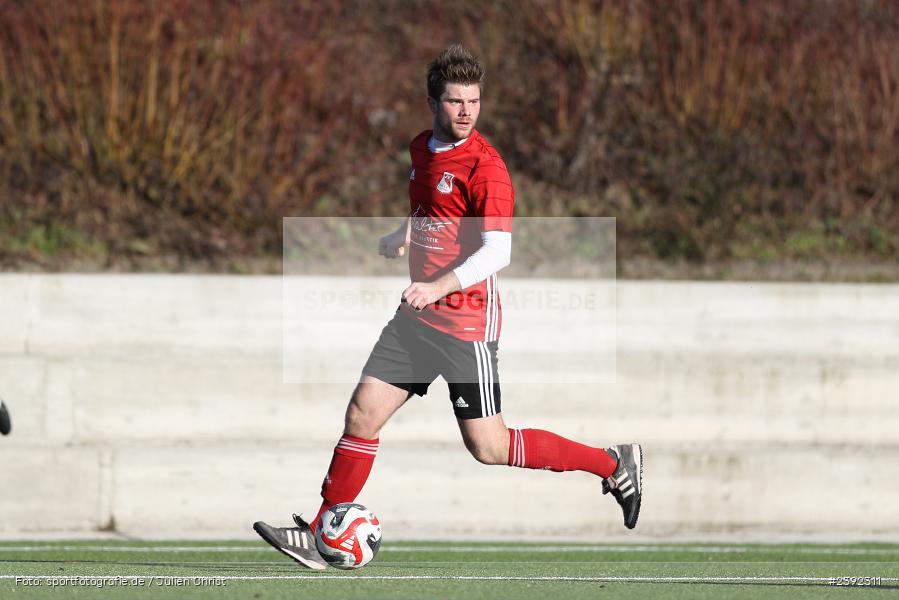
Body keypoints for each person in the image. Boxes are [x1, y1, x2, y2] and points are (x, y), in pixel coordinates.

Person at [253, 45, 642, 570]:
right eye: (455, 101)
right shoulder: (422, 148)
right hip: (417, 321)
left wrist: (437, 287)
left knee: (489, 446)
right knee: (362, 413)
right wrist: (403, 232)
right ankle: (323, 532)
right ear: (433, 102)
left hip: (465, 325)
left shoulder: (489, 169)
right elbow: (430, 207)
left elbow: (498, 250)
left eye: (474, 102)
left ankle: (611, 462)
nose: (465, 111)